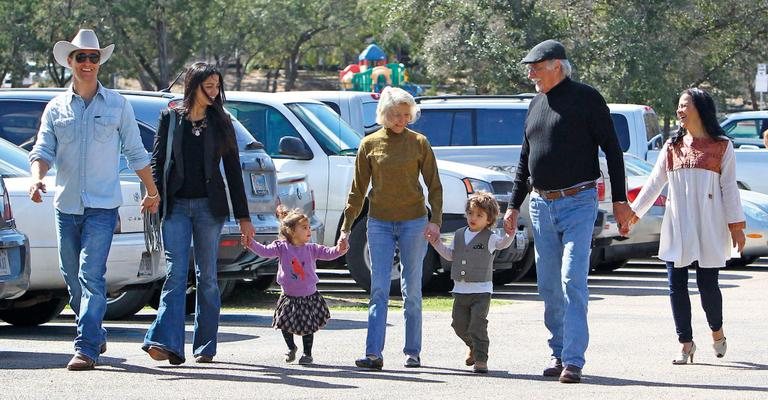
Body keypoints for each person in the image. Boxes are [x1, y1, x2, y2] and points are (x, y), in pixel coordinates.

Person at [28, 29, 160, 371]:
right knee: (70, 275)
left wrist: (152, 190)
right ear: (70, 62)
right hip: (65, 207)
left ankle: (86, 347)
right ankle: (94, 330)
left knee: (91, 274)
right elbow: (43, 149)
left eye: (94, 57)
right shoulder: (56, 108)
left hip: (103, 207)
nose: (88, 63)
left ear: (99, 62)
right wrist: (38, 178)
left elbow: (135, 151)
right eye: (81, 57)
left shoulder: (118, 104)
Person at [503, 39, 632, 384]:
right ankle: (558, 351)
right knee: (547, 284)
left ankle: (573, 360)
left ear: (557, 65)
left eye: (536, 66)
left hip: (579, 201)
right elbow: (523, 159)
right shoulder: (535, 103)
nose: (530, 73)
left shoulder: (587, 98)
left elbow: (613, 151)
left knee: (571, 278)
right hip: (541, 204)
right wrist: (513, 206)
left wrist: (620, 200)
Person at [142, 62, 256, 365]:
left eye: (218, 86)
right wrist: (153, 193)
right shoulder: (170, 118)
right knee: (175, 274)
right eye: (209, 86)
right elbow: (157, 160)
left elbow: (233, 171)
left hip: (210, 208)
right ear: (193, 86)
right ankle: (167, 343)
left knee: (207, 277)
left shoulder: (222, 122)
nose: (214, 92)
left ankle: (205, 345)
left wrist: (244, 218)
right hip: (176, 206)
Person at [627, 88, 746, 365]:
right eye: (678, 106)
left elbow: (729, 188)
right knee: (675, 285)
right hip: (678, 223)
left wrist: (736, 226)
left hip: (709, 224)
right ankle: (686, 343)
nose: (680, 111)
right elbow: (654, 183)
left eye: (684, 105)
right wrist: (633, 215)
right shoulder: (672, 147)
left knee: (708, 285)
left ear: (700, 109)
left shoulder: (722, 146)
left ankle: (717, 332)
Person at [340, 86, 443, 370]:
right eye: (396, 115)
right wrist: (347, 227)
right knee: (379, 289)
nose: (401, 120)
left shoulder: (419, 142)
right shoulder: (370, 144)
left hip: (413, 221)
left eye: (406, 115)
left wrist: (435, 221)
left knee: (412, 289)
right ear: (384, 115)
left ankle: (412, 351)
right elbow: (357, 191)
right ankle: (373, 353)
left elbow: (434, 186)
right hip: (379, 223)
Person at [245, 206, 349, 365]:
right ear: (292, 231)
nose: (309, 231)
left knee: (308, 327)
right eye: (305, 228)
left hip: (308, 296)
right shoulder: (281, 247)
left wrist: (340, 250)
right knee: (284, 324)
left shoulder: (312, 248)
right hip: (288, 296)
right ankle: (291, 347)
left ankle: (307, 354)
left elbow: (329, 253)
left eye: (309, 227)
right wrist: (250, 243)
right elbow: (264, 251)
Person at [427, 191, 513, 373]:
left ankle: (481, 359)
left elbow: (502, 244)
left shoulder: (490, 238)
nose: (473, 218)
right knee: (458, 325)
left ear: (489, 220)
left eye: (479, 215)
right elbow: (450, 255)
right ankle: (472, 346)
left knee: (478, 324)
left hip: (481, 291)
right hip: (460, 290)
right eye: (471, 213)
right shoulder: (459, 234)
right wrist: (436, 243)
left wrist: (510, 234)